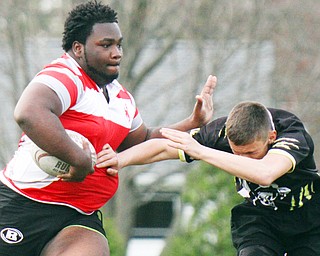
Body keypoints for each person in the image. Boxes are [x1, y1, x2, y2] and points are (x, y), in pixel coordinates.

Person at [0, 1, 216, 255]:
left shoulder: (119, 96)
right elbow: (28, 112)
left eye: (119, 44)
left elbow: (142, 140)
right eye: (106, 45)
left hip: (78, 217)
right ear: (78, 48)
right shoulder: (65, 75)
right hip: (23, 205)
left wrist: (193, 123)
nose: (117, 53)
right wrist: (79, 161)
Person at [100, 101, 320, 256]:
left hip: (309, 218)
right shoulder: (219, 133)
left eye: (251, 152)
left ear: (271, 137)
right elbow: (163, 148)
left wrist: (201, 152)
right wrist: (120, 159)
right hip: (261, 216)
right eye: (236, 152)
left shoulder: (292, 134)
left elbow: (264, 173)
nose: (241, 159)